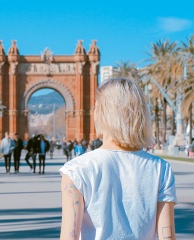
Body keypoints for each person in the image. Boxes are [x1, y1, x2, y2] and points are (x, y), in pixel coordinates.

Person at [59, 77, 177, 239]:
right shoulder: (161, 168)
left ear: (102, 113)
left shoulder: (76, 170)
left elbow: (69, 237)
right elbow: (167, 236)